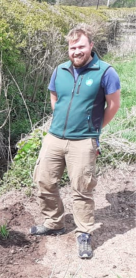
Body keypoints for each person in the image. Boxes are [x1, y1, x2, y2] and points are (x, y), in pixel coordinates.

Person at [31, 24, 121, 259]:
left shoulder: (105, 71)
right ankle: (54, 223)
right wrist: (60, 121)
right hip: (54, 137)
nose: (76, 51)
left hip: (83, 141)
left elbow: (114, 105)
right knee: (43, 180)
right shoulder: (59, 70)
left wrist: (95, 129)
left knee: (81, 188)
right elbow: (54, 95)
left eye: (81, 46)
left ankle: (83, 233)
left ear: (91, 46)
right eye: (72, 47)